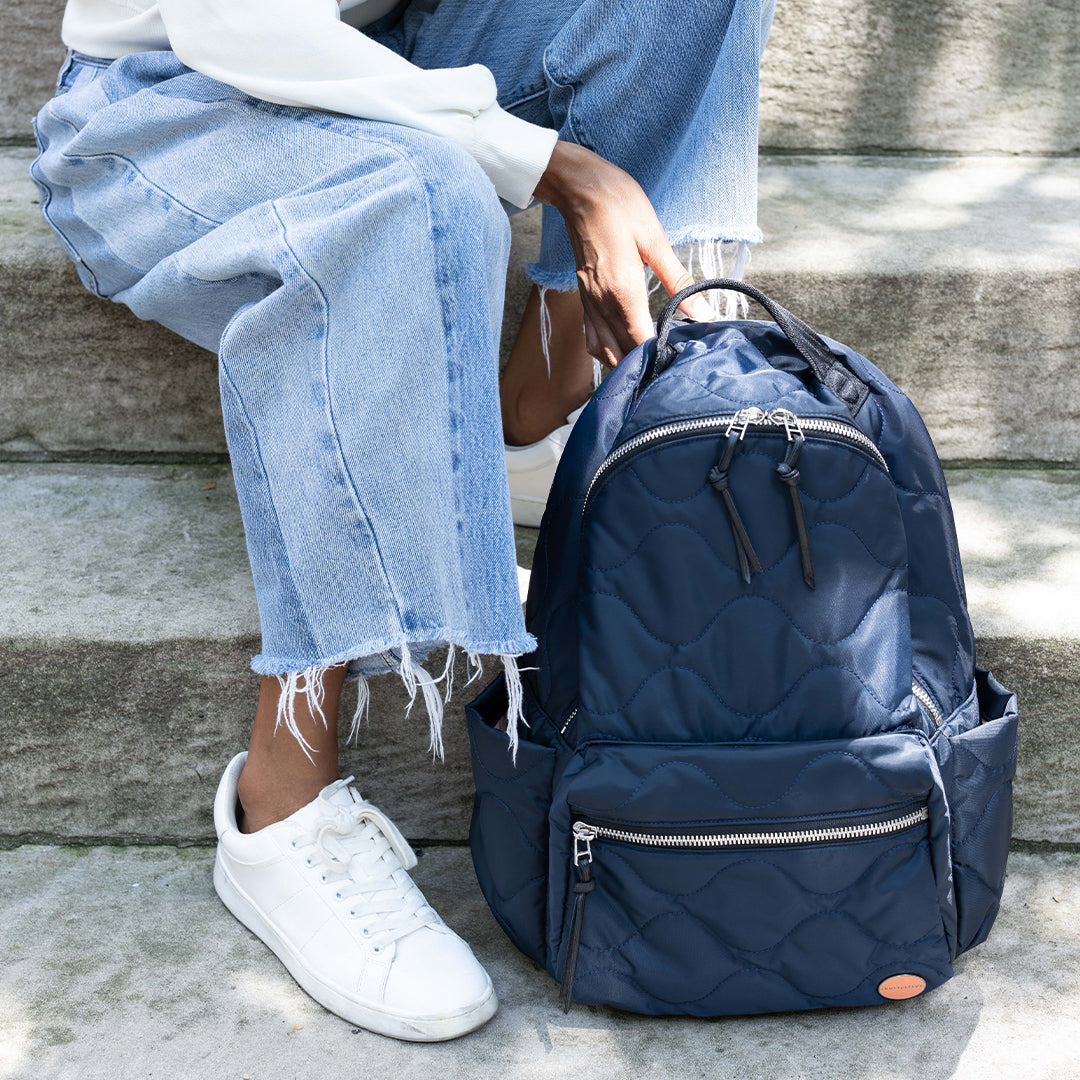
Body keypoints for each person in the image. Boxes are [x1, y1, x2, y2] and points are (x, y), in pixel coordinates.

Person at [32, 0, 773, 1042]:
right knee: (418, 198)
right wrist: (562, 168)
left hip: (377, 60)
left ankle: (526, 413)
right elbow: (233, 26)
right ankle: (280, 809)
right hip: (161, 110)